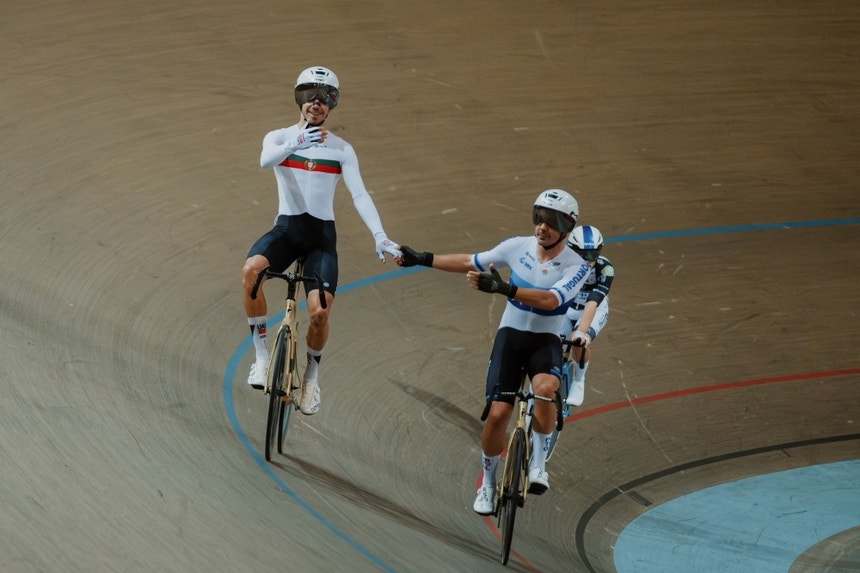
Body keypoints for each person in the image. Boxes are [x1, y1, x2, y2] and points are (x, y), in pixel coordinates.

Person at [395, 189, 591, 515]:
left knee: (545, 390)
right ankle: (487, 483)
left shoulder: (577, 266)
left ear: (567, 227)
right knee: (498, 414)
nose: (542, 227)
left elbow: (551, 301)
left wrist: (504, 288)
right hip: (511, 338)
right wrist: (423, 258)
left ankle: (538, 464)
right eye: (538, 217)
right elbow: (470, 261)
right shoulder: (517, 247)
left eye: (551, 221)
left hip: (545, 341)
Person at [242, 65, 401, 415]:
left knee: (319, 313)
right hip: (287, 231)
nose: (316, 102)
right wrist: (298, 142)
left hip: (320, 240)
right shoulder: (279, 137)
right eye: (309, 95)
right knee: (251, 272)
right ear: (299, 99)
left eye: (325, 97)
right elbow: (265, 161)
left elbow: (360, 195)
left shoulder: (342, 149)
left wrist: (380, 235)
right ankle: (262, 358)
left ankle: (311, 379)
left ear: (332, 104)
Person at [563, 225, 615, 407]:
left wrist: (581, 332)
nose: (588, 260)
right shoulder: (560, 262)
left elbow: (593, 302)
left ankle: (579, 380)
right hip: (566, 309)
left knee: (579, 342)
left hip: (593, 310)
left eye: (593, 255)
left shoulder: (605, 269)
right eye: (582, 255)